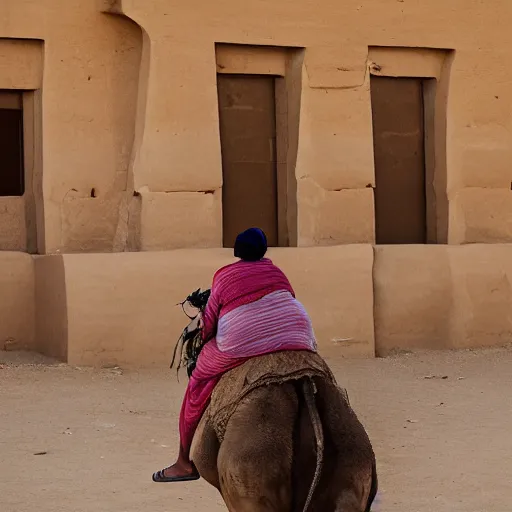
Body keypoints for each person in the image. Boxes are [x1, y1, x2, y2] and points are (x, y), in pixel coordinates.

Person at [152, 227, 317, 483]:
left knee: (198, 382)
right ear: (264, 250)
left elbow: (208, 322)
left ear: (236, 251)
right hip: (298, 330)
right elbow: (288, 298)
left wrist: (201, 331)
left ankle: (184, 462)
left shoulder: (225, 275)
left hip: (242, 340)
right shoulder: (276, 272)